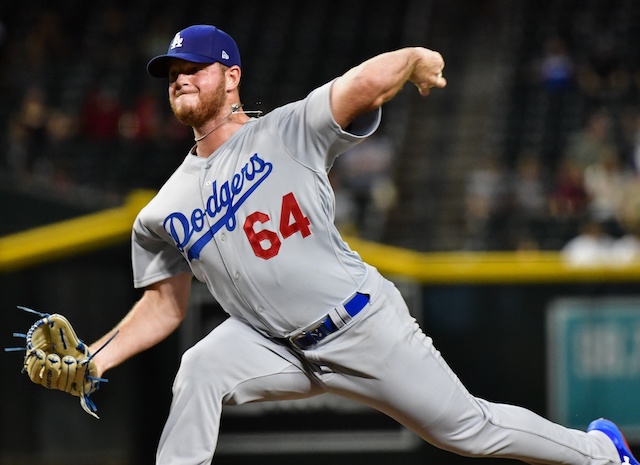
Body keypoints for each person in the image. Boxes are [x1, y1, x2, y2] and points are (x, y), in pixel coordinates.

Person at [87, 25, 638, 465]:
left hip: (359, 324)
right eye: (173, 73)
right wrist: (91, 361)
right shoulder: (161, 210)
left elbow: (361, 84)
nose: (181, 79)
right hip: (272, 344)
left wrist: (414, 56)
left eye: (194, 69)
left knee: (470, 431)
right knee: (199, 369)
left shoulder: (286, 130)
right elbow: (164, 305)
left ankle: (601, 454)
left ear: (232, 77)